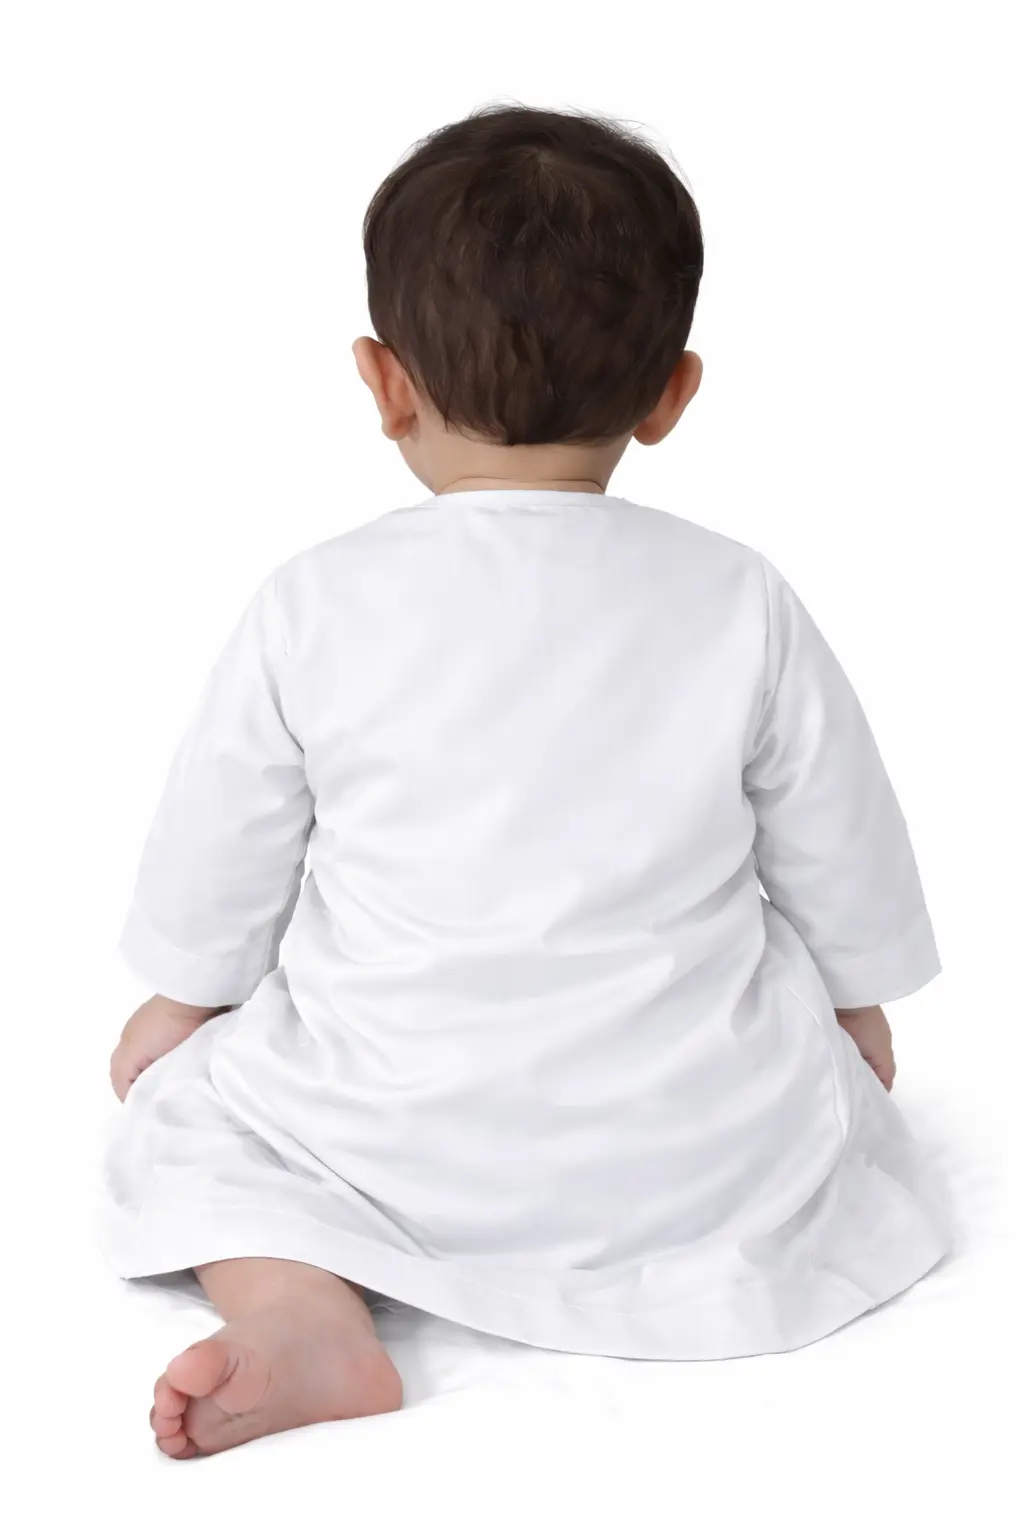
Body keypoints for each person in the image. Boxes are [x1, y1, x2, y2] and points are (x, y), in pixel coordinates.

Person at [101, 103, 949, 1459]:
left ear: (383, 383)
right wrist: (858, 1006)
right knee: (812, 1123)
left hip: (380, 1128)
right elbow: (838, 837)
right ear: (672, 394)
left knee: (184, 1123)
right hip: (685, 1147)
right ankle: (686, 1221)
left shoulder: (315, 601)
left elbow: (226, 845)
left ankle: (301, 1307)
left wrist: (183, 997)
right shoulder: (737, 596)